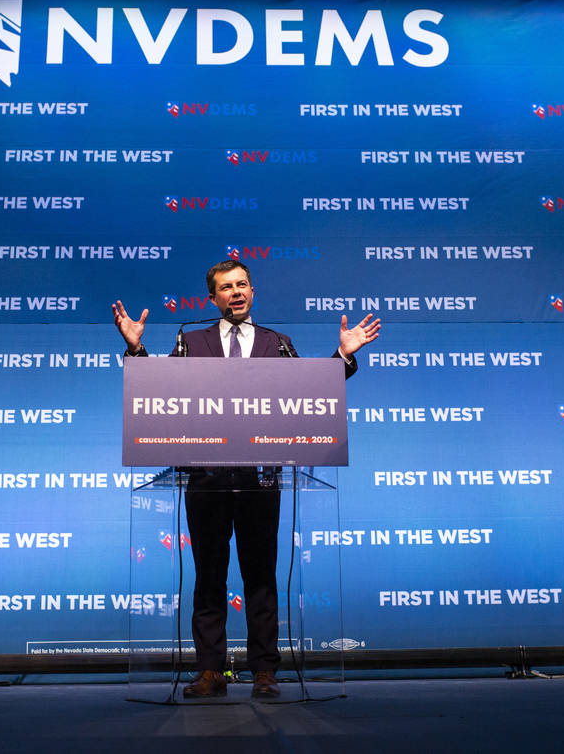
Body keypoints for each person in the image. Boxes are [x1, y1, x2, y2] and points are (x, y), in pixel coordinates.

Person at [113, 260, 379, 699]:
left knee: (260, 577)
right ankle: (210, 671)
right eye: (225, 287)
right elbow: (160, 392)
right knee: (208, 578)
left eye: (242, 285)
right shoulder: (190, 340)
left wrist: (342, 357)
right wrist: (138, 353)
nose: (235, 292)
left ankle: (264, 672)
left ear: (252, 292)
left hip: (261, 481)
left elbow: (311, 393)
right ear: (212, 298)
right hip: (205, 481)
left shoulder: (278, 344)